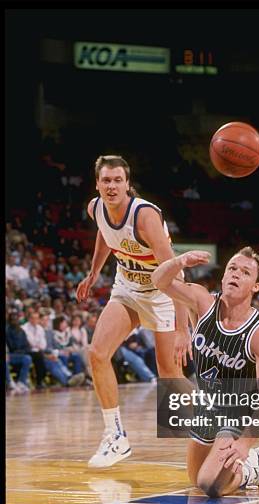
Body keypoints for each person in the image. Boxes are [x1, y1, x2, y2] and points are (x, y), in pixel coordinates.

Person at [76, 155, 191, 468]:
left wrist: (184, 328)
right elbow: (104, 233)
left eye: (117, 180)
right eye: (106, 180)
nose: (111, 186)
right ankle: (115, 436)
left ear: (128, 184)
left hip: (162, 292)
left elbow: (174, 270)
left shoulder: (145, 216)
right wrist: (93, 272)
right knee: (97, 353)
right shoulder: (95, 207)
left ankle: (220, 426)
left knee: (170, 375)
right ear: (97, 183)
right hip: (127, 288)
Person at [152, 246, 259, 498]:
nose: (235, 274)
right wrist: (179, 262)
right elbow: (159, 281)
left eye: (245, 272)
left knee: (211, 485)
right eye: (232, 268)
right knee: (195, 479)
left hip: (237, 414)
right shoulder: (201, 301)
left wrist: (245, 443)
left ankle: (253, 466)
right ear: (223, 276)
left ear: (255, 286)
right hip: (206, 408)